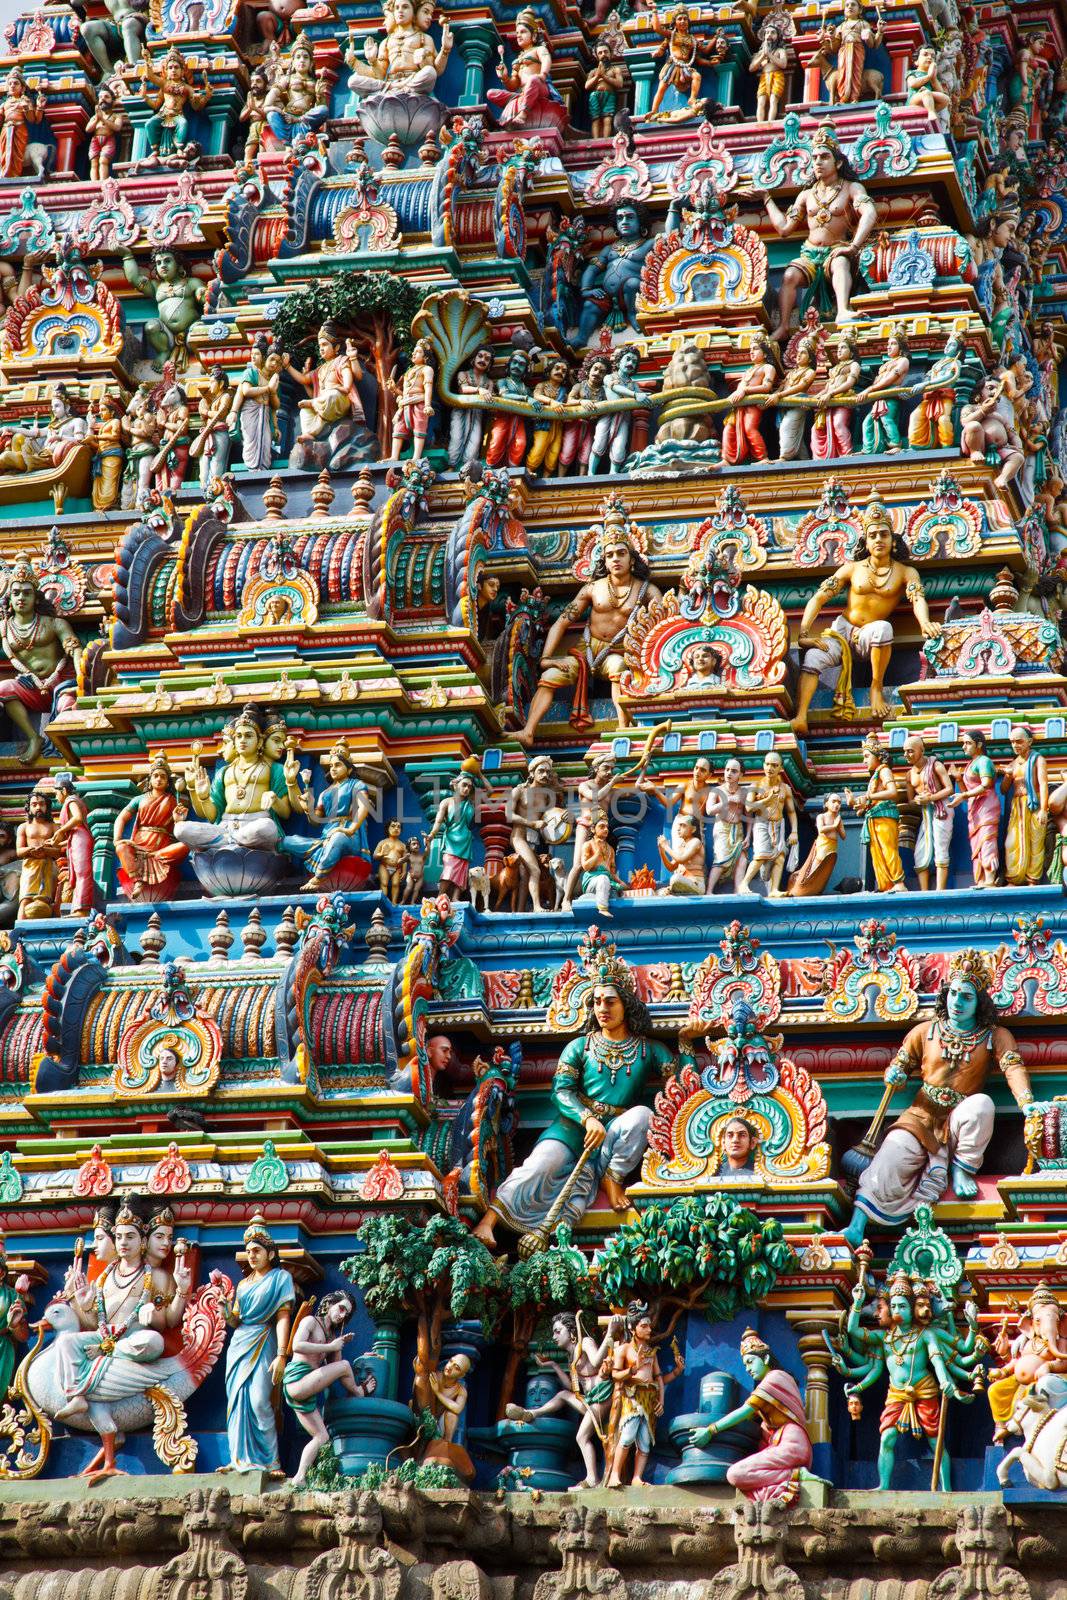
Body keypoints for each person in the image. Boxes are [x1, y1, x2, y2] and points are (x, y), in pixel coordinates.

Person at [473, 934, 673, 1245]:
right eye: (596, 1002)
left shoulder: (649, 1050)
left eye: (610, 1001)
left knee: (643, 1115)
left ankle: (612, 1179)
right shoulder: (580, 1047)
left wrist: (687, 1042)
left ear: (626, 1004)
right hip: (573, 1126)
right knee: (540, 1165)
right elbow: (561, 1091)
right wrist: (586, 1118)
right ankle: (488, 1221)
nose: (602, 1008)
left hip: (615, 1133)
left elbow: (680, 1084)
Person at [844, 951, 1031, 1246]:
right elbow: (899, 1067)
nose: (957, 1002)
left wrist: (1028, 1104)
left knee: (982, 1105)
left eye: (967, 997)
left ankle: (961, 1171)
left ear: (979, 1003)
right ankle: (856, 1224)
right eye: (953, 994)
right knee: (888, 1156)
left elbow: (1013, 1067)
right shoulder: (924, 1032)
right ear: (945, 995)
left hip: (959, 1117)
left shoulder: (994, 1036)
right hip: (921, 1115)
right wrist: (894, 1075)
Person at [791, 495, 940, 735]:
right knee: (814, 658)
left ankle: (875, 689)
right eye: (873, 535)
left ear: (893, 540)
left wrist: (924, 624)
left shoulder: (905, 572)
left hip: (871, 636)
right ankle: (800, 716)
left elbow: (917, 598)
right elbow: (819, 596)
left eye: (883, 534)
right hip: (842, 631)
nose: (878, 539)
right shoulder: (852, 569)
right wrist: (805, 634)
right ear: (866, 542)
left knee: (883, 628)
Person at [517, 513, 660, 742]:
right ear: (603, 560)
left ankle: (624, 730)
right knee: (551, 675)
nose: (616, 559)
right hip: (586, 651)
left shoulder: (647, 591)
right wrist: (547, 658)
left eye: (621, 553)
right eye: (610, 555)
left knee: (620, 671)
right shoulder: (593, 589)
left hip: (618, 651)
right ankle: (528, 731)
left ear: (632, 559)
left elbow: (660, 626)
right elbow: (561, 622)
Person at [763, 123, 877, 340]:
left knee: (840, 263)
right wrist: (766, 199)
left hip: (836, 249)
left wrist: (853, 248)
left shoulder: (851, 188)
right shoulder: (806, 195)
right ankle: (784, 326)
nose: (818, 162)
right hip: (809, 253)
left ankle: (843, 310)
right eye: (815, 158)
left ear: (839, 162)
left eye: (824, 157)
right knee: (789, 276)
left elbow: (870, 214)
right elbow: (784, 229)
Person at [690, 1329, 812, 1502]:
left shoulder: (775, 1378)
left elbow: (744, 1411)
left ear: (766, 1359)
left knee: (735, 1474)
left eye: (750, 1362)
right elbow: (748, 1418)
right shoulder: (770, 1391)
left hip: (791, 1443)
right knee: (739, 1476)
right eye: (745, 1365)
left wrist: (710, 1430)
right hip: (783, 1444)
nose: (747, 1369)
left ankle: (795, 1475)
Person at [504, 1310, 624, 1487]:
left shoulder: (586, 1342)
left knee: (581, 1437)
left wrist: (610, 1333)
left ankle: (592, 1478)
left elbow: (598, 1362)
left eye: (558, 1331)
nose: (554, 1336)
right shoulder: (570, 1356)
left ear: (571, 1331)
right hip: (589, 1400)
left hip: (602, 1395)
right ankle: (532, 1413)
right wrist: (552, 1365)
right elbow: (570, 1387)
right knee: (562, 1395)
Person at [220, 1214, 295, 1472]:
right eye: (248, 1251)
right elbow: (236, 1320)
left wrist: (282, 1355)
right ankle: (238, 1459)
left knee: (259, 1400)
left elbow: (283, 1316)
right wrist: (225, 1310)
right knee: (236, 1402)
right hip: (240, 1343)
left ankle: (271, 1461)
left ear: (270, 1253)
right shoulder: (242, 1285)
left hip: (265, 1339)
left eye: (257, 1250)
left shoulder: (280, 1278)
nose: (252, 1255)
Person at [284, 1291, 377, 1488]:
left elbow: (337, 1371)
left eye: (347, 1314)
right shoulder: (311, 1321)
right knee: (344, 1366)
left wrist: (345, 1349)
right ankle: (359, 1392)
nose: (342, 1315)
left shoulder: (332, 1337)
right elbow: (296, 1346)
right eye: (341, 1308)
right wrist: (331, 1347)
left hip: (306, 1390)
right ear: (329, 1304)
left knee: (322, 1437)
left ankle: (299, 1477)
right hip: (297, 1380)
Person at [0, 556, 82, 763]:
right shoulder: (4, 629)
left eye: (27, 593)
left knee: (66, 705)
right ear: (9, 598)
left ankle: (65, 749)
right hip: (31, 686)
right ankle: (32, 737)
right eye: (16, 593)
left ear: (36, 598)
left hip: (61, 682)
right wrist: (24, 676)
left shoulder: (54, 623)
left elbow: (74, 647)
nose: (21, 598)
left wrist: (82, 678)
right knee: (4, 688)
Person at [114, 754, 189, 900]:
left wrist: (178, 820)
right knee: (121, 848)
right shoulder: (139, 799)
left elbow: (178, 830)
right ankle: (137, 880)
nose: (159, 779)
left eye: (163, 776)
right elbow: (121, 818)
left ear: (168, 782)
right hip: (139, 844)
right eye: (155, 776)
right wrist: (117, 839)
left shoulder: (173, 801)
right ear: (150, 779)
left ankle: (152, 857)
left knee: (186, 846)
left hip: (162, 847)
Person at [845, 734, 904, 893]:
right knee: (877, 853)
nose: (864, 761)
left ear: (878, 756)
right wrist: (854, 802)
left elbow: (893, 792)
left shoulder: (884, 771)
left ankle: (898, 883)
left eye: (866, 756)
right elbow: (868, 803)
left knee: (888, 849)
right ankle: (886, 885)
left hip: (885, 816)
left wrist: (868, 797)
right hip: (875, 817)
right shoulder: (874, 776)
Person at [740, 751, 797, 898]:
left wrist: (794, 831)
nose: (770, 768)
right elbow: (749, 808)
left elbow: (791, 812)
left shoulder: (785, 788)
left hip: (778, 824)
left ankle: (774, 890)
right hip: (762, 824)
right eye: (767, 764)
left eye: (774, 765)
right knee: (760, 856)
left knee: (780, 857)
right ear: (763, 765)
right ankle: (744, 884)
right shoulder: (756, 785)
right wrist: (767, 799)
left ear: (780, 768)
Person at [947, 729, 999, 889]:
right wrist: (958, 779)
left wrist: (964, 796)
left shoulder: (984, 761)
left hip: (987, 807)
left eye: (968, 743)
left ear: (979, 744)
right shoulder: (971, 763)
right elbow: (966, 793)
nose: (964, 747)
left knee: (987, 840)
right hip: (975, 809)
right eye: (964, 743)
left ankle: (990, 878)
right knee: (977, 844)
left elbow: (986, 785)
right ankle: (981, 879)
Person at [904, 734, 954, 892]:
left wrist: (931, 797)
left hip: (942, 809)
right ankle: (924, 892)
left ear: (921, 750)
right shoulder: (909, 774)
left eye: (911, 751)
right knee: (920, 852)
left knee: (940, 846)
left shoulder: (935, 765)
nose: (906, 755)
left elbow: (949, 789)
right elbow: (910, 800)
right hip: (925, 812)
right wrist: (919, 801)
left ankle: (940, 890)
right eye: (904, 751)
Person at [1001, 723, 1048, 886]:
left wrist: (1043, 809)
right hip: (1017, 806)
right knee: (1012, 843)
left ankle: (1032, 879)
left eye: (1019, 741)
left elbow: (1043, 784)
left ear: (1029, 741)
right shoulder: (1013, 764)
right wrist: (1007, 776)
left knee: (1035, 841)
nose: (1015, 745)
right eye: (1012, 742)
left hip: (1033, 805)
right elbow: (1003, 790)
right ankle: (1013, 878)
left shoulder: (1038, 760)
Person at [427, 770, 477, 902]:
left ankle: (455, 898)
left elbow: (489, 791)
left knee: (462, 871)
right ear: (455, 785)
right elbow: (438, 821)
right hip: (451, 840)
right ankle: (440, 896)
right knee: (449, 869)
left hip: (465, 840)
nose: (466, 789)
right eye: (464, 785)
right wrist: (431, 835)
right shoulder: (446, 802)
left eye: (469, 787)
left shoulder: (470, 802)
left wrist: (479, 773)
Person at [705, 757, 750, 893]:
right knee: (720, 859)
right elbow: (709, 810)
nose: (729, 773)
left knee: (742, 860)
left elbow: (749, 817)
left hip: (739, 830)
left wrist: (748, 836)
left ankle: (738, 890)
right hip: (722, 829)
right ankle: (709, 891)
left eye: (734, 771)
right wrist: (727, 800)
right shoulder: (717, 791)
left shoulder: (744, 792)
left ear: (741, 775)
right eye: (727, 770)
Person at [787, 792, 844, 897]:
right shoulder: (821, 816)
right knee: (815, 867)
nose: (837, 805)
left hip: (833, 846)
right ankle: (803, 887)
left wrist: (839, 826)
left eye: (839, 802)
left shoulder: (838, 818)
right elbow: (821, 829)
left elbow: (843, 836)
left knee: (825, 870)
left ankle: (816, 888)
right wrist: (834, 825)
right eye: (833, 801)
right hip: (823, 845)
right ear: (826, 804)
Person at [579, 816, 626, 916]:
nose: (606, 829)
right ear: (593, 829)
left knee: (619, 890)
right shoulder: (588, 845)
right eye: (601, 826)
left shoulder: (611, 850)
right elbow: (585, 866)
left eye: (607, 827)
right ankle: (602, 908)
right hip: (592, 880)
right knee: (603, 879)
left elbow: (611, 873)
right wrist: (597, 853)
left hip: (607, 880)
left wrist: (620, 882)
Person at [657, 813, 705, 895]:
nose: (678, 829)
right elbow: (671, 867)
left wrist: (666, 847)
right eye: (679, 825)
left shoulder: (696, 842)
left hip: (696, 883)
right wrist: (662, 852)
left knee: (675, 879)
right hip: (683, 881)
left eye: (683, 826)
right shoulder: (682, 845)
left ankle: (671, 890)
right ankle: (671, 890)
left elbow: (681, 859)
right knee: (659, 893)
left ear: (693, 829)